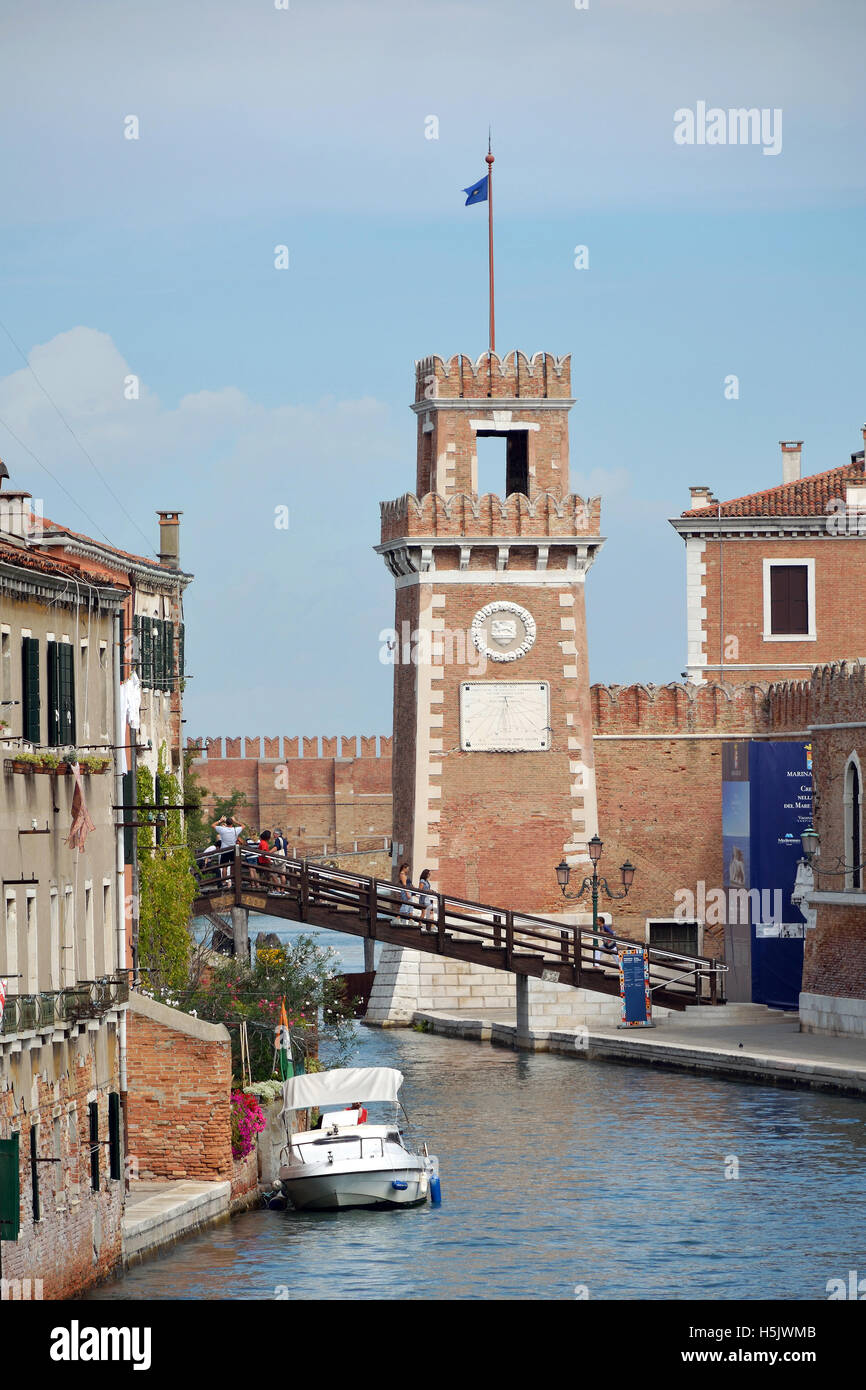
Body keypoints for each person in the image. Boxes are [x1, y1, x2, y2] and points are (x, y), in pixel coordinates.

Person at [213, 815, 243, 887]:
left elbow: (213, 825)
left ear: (226, 823)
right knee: (233, 866)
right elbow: (243, 825)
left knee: (224, 867)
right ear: (232, 823)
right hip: (233, 850)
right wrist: (235, 821)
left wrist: (220, 820)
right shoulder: (236, 829)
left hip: (225, 850)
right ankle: (233, 881)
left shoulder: (222, 829)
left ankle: (224, 882)